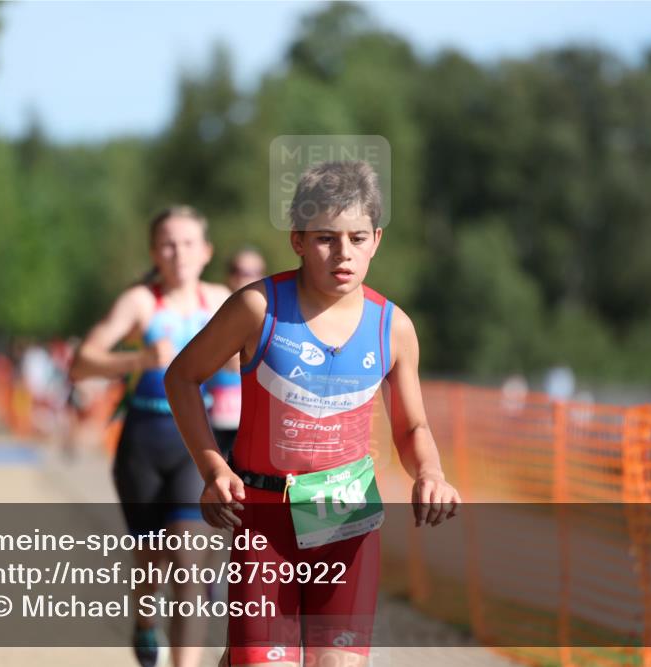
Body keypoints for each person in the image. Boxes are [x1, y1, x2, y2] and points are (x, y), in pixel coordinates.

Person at [165, 161, 461, 667]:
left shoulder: (393, 327)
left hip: (344, 516)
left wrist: (430, 472)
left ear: (376, 240)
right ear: (298, 239)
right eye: (326, 237)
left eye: (357, 237)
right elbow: (182, 377)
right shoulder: (258, 308)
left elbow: (412, 426)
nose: (343, 253)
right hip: (263, 518)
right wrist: (214, 469)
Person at [70, 205, 231, 667]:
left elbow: (253, 360)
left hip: (194, 442)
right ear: (154, 252)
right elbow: (81, 362)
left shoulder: (221, 301)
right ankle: (144, 621)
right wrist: (138, 360)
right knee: (152, 559)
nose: (177, 252)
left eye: (186, 243)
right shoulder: (141, 302)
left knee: (188, 560)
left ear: (205, 252)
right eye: (167, 243)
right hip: (143, 442)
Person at [207, 247, 267, 457]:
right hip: (215, 415)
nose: (244, 278)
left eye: (252, 272)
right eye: (238, 271)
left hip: (252, 418)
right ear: (229, 276)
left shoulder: (271, 317)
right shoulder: (212, 310)